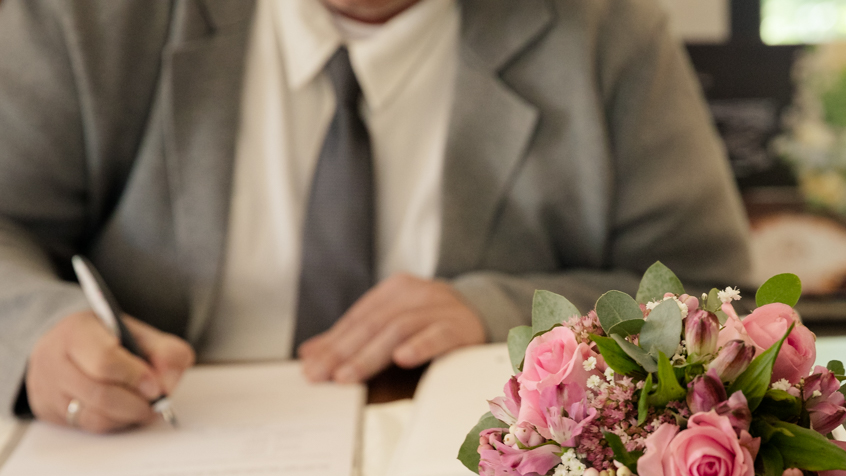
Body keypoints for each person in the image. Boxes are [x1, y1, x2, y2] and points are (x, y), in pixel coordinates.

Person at [0, 0, 752, 433]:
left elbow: (716, 296)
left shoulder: (602, 28)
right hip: (154, 459)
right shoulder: (90, 19)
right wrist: (36, 328)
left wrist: (498, 311)